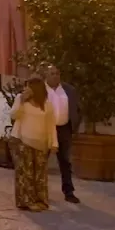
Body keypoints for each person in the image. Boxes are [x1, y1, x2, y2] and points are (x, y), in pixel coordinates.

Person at [11, 77, 58, 212]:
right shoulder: (21, 100)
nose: (25, 89)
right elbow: (13, 115)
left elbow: (51, 125)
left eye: (28, 86)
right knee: (26, 174)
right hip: (23, 141)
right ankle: (27, 201)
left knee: (40, 175)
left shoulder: (47, 105)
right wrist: (21, 101)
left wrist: (54, 143)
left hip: (41, 143)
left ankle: (40, 200)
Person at [42, 64, 80, 204]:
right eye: (52, 73)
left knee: (65, 161)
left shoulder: (69, 90)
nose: (55, 76)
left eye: (57, 73)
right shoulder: (41, 90)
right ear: (46, 75)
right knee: (42, 160)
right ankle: (40, 190)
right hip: (45, 129)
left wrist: (74, 125)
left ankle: (69, 192)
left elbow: (77, 109)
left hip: (64, 129)